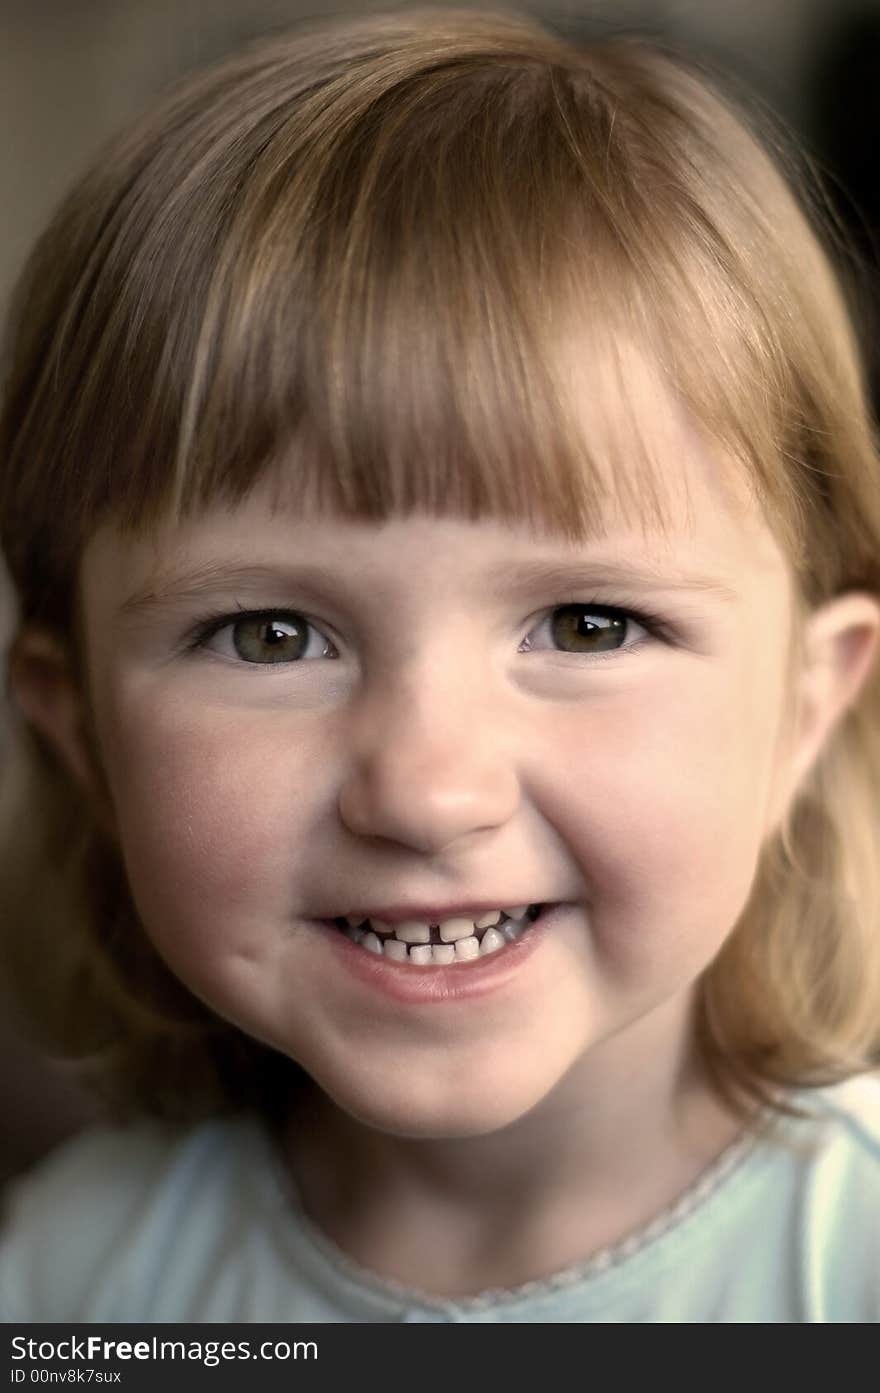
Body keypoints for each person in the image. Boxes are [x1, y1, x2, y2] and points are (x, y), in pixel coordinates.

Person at [1, 7, 878, 1324]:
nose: (424, 789)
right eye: (270, 634)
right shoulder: (76, 1281)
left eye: (587, 623)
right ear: (80, 732)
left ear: (806, 706)